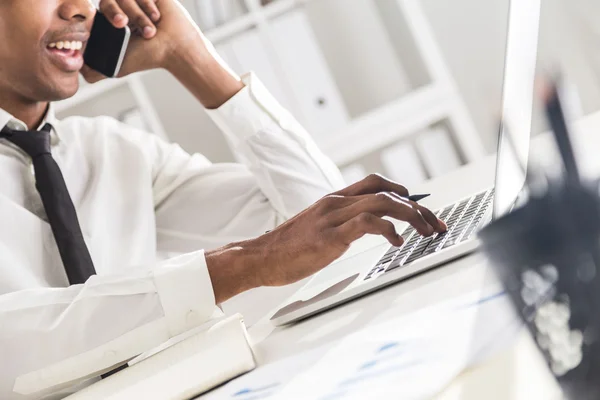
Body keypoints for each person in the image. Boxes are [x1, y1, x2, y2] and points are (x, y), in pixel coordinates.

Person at [0, 0, 446, 398]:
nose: (81, 9)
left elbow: (317, 215)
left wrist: (190, 56)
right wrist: (247, 264)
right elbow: (12, 344)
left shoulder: (113, 149)